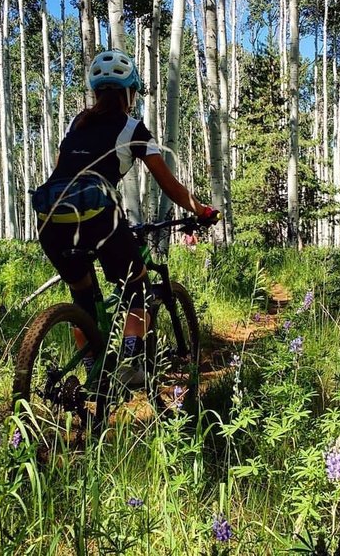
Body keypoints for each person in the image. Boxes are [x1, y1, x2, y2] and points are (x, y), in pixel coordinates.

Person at [34, 49, 218, 384]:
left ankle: (93, 373)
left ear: (96, 90)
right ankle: (131, 364)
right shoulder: (134, 129)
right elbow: (171, 187)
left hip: (50, 221)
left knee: (83, 297)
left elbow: (61, 171)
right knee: (137, 289)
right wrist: (203, 211)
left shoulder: (78, 123)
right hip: (98, 217)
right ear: (130, 92)